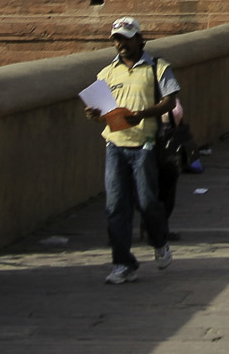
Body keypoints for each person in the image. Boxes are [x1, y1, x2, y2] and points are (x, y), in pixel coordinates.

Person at [85, 16, 179, 284]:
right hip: (115, 144)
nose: (121, 44)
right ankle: (123, 263)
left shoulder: (157, 67)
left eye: (126, 38)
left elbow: (170, 101)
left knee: (148, 201)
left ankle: (159, 241)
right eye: (116, 39)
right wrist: (93, 114)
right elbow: (100, 111)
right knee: (116, 206)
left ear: (139, 39)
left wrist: (143, 114)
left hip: (145, 143)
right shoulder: (107, 73)